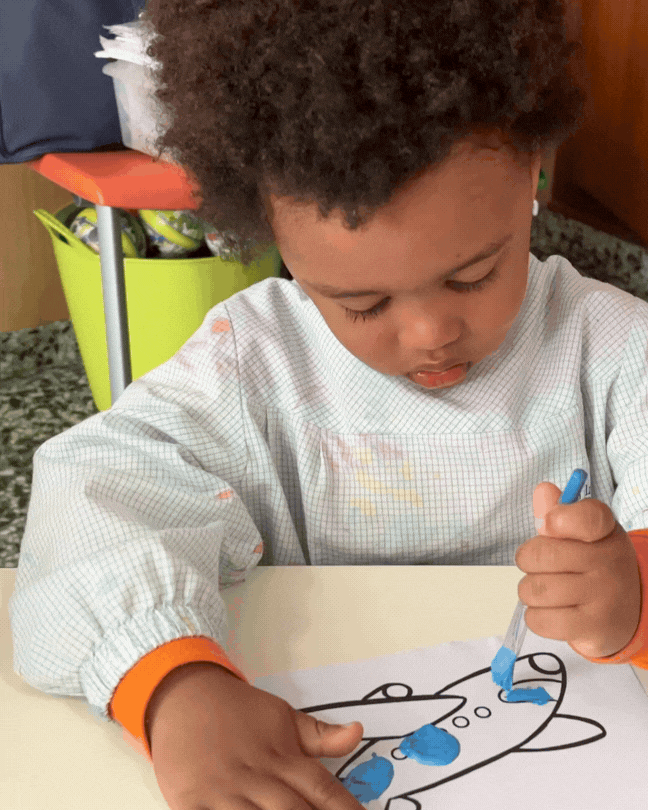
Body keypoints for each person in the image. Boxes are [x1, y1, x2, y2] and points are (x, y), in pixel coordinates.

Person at [10, 1, 648, 809]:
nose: (430, 335)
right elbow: (95, 496)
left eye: (472, 275)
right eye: (361, 304)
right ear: (272, 235)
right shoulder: (255, 360)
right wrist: (176, 684)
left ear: (534, 171)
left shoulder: (613, 348)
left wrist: (636, 596)